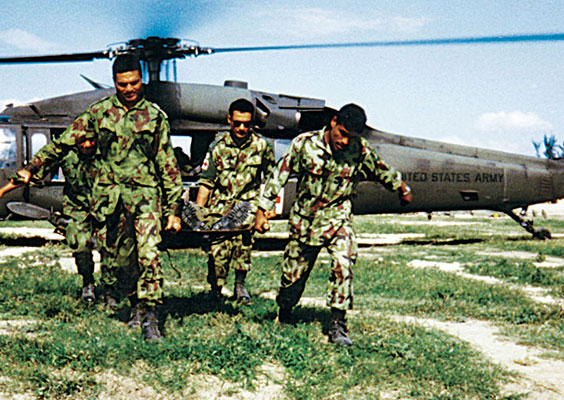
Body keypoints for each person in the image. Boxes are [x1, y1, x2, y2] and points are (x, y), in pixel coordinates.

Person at [254, 104, 412, 347]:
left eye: (352, 137)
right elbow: (280, 174)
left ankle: (338, 323)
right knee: (292, 279)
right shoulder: (304, 144)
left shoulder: (358, 149)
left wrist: (401, 188)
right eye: (343, 133)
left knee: (343, 263)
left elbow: (381, 169)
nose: (345, 142)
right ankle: (285, 310)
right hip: (306, 222)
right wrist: (262, 210)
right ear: (334, 122)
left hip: (338, 217)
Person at [73, 54, 184, 342]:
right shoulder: (98, 114)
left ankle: (151, 317)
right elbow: (64, 142)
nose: (129, 88)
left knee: (149, 255)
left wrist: (173, 208)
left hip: (146, 196)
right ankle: (134, 304)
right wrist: (27, 172)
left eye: (134, 82)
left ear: (141, 80)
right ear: (114, 83)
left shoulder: (156, 117)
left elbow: (167, 164)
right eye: (123, 84)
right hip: (113, 199)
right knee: (122, 261)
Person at [0, 116, 118, 306]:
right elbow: (28, 174)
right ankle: (88, 283)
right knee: (79, 244)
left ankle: (110, 290)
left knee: (109, 248)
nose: (87, 145)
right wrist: (1, 191)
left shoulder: (108, 153)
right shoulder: (66, 153)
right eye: (82, 140)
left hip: (106, 207)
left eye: (91, 140)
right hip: (77, 208)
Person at [195, 98, 275, 303]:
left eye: (246, 124)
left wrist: (268, 209)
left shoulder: (262, 146)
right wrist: (198, 213)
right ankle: (216, 289)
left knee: (243, 248)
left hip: (248, 205)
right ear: (229, 119)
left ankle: (240, 286)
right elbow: (206, 182)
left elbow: (272, 178)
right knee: (219, 251)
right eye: (237, 123)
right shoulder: (217, 147)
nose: (241, 128)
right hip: (220, 207)